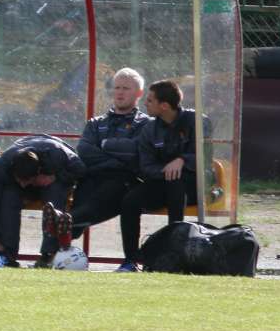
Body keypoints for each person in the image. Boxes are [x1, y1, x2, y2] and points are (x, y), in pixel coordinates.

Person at [36, 67, 149, 269]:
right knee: (77, 198)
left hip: (123, 181)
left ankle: (63, 224)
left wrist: (104, 147)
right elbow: (85, 151)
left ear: (139, 93)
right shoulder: (96, 123)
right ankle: (52, 249)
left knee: (107, 193)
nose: (120, 92)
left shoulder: (145, 124)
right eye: (117, 88)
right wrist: (116, 157)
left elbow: (135, 153)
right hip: (91, 177)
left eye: (126, 88)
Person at [117, 79, 213, 272]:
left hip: (194, 185)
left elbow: (205, 158)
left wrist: (183, 160)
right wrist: (166, 170)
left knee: (176, 186)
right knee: (130, 200)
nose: (145, 103)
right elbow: (146, 166)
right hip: (161, 182)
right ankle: (130, 260)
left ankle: (174, 256)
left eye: (150, 100)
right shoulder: (149, 129)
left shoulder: (198, 122)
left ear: (165, 106)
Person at [0, 134, 85, 267]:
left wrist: (56, 177)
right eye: (20, 180)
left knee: (54, 194)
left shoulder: (58, 154)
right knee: (8, 198)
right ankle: (6, 255)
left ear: (38, 171)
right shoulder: (3, 165)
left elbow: (81, 169)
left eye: (26, 180)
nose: (23, 185)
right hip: (15, 179)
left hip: (52, 175)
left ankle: (49, 255)